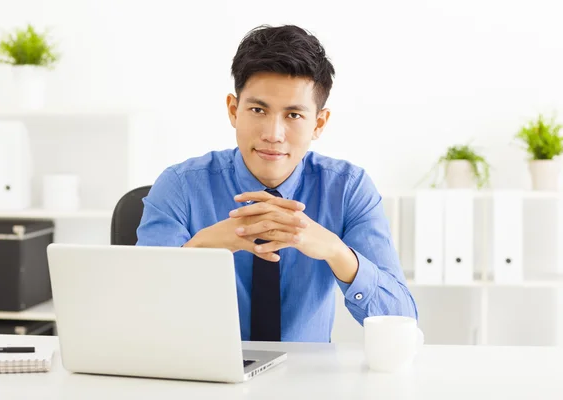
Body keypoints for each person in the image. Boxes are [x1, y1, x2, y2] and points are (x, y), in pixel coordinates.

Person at [136, 24, 418, 343]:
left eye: (294, 115)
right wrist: (197, 249)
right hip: (204, 378)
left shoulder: (348, 189)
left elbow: (402, 320)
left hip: (307, 384)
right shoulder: (180, 186)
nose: (273, 134)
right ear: (233, 110)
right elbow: (138, 314)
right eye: (258, 110)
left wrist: (338, 253)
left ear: (319, 123)